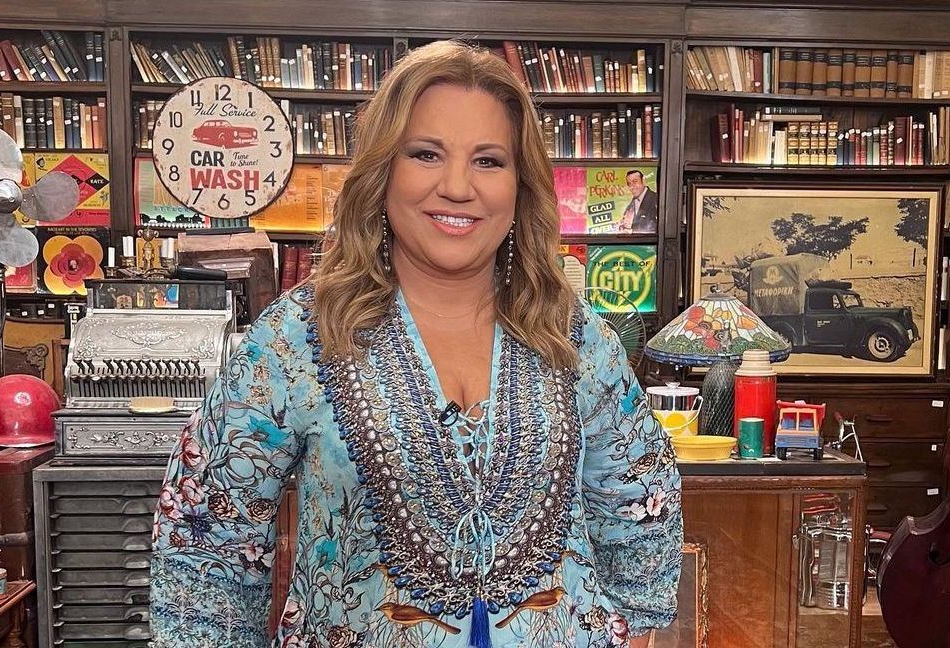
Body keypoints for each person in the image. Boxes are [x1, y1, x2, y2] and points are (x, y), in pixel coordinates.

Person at [149, 40, 682, 648]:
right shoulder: (300, 335)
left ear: (521, 186)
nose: (457, 186)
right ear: (383, 172)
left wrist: (625, 630)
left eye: (488, 161)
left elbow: (642, 511)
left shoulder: (574, 337)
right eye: (426, 154)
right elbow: (203, 543)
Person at [619, 169, 658, 234]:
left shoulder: (655, 199)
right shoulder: (631, 204)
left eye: (635, 182)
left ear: (643, 181)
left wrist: (632, 231)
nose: (632, 186)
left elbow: (659, 227)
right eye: (629, 184)